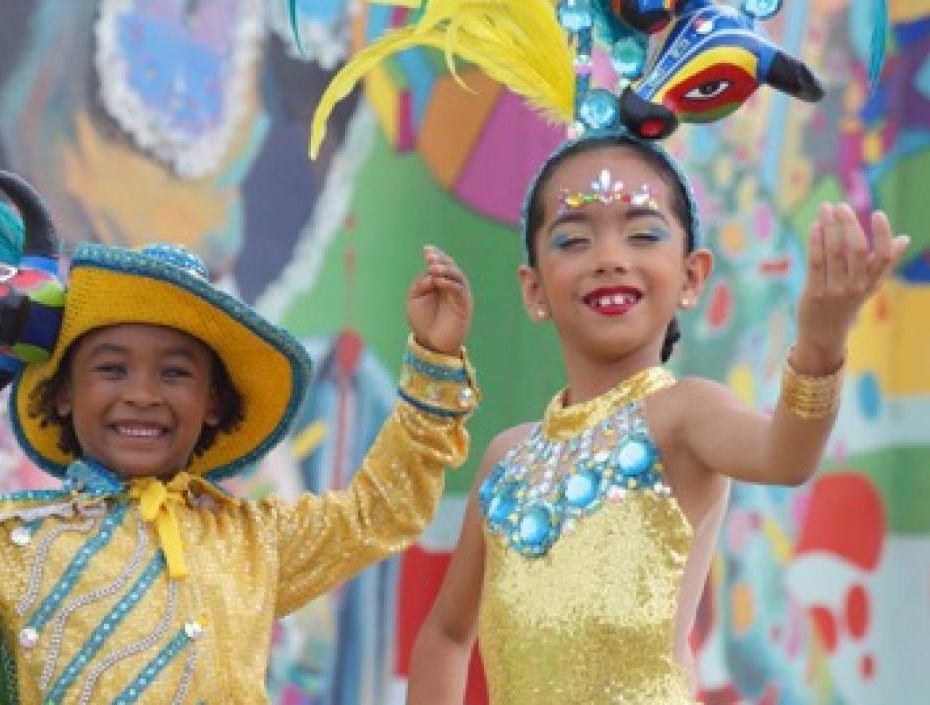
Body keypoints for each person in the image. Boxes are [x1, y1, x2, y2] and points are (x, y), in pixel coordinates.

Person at [303, 0, 908, 701]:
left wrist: (823, 339)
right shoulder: (507, 459)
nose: (608, 258)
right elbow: (444, 633)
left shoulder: (684, 416)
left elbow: (787, 454)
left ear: (692, 276)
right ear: (533, 288)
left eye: (643, 233)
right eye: (573, 238)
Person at [0, 171, 480, 703]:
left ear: (213, 403)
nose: (143, 392)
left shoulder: (256, 540)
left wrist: (433, 360)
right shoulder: (13, 544)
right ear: (63, 393)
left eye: (176, 372)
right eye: (112, 367)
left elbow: (383, 510)